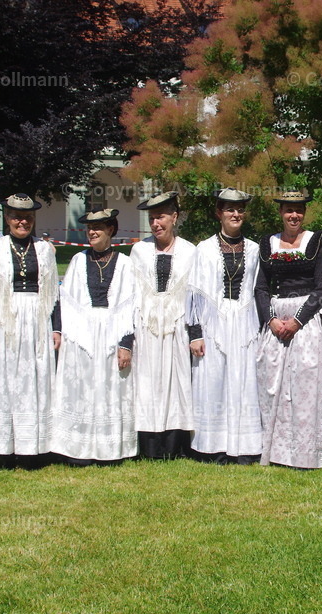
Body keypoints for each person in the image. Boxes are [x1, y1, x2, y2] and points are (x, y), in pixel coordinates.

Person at [51, 208, 137, 465]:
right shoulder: (78, 260)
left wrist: (125, 344)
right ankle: (78, 448)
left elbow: (130, 305)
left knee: (110, 388)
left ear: (111, 229)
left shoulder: (124, 263)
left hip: (112, 333)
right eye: (89, 228)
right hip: (82, 335)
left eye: (98, 227)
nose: (92, 232)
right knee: (82, 389)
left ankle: (108, 450)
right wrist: (63, 332)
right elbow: (65, 301)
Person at [254, 190, 322, 469]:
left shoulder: (318, 241)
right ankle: (275, 452)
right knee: (272, 385)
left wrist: (298, 321)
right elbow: (261, 288)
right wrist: (272, 320)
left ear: (304, 212)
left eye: (298, 210)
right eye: (288, 210)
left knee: (303, 386)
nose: (293, 215)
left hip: (306, 321)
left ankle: (303, 455)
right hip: (276, 321)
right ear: (281, 213)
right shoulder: (268, 243)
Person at [187, 188, 263, 464]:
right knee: (213, 382)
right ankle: (213, 447)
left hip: (245, 324)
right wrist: (195, 333)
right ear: (219, 213)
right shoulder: (204, 249)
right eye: (230, 209)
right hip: (213, 325)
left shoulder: (255, 249)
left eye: (240, 209)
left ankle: (244, 447)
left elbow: (259, 290)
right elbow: (193, 293)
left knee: (244, 382)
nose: (235, 214)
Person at [0, 194, 60, 465]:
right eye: (16, 216)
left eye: (27, 217)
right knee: (8, 379)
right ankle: (6, 447)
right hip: (8, 320)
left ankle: (38, 445)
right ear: (7, 218)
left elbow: (53, 295)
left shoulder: (44, 249)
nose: (22, 222)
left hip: (39, 320)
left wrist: (57, 330)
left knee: (38, 378)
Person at [130, 190, 196, 459]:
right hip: (146, 328)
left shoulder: (190, 251)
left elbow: (194, 297)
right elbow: (132, 295)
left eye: (161, 217)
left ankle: (174, 445)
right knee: (148, 384)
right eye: (152, 218)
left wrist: (194, 333)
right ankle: (149, 446)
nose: (156, 224)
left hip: (177, 328)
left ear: (175, 217)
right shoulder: (139, 250)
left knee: (175, 384)